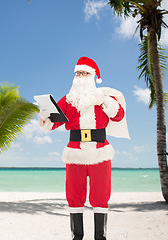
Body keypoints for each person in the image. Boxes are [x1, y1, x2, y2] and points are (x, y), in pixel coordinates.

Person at [38, 56, 129, 240]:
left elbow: (119, 115)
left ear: (92, 76)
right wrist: (45, 118)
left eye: (84, 73)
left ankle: (100, 237)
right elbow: (53, 124)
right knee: (74, 195)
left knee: (101, 196)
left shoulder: (104, 99)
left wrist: (104, 101)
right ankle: (76, 237)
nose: (80, 76)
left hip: (99, 152)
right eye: (77, 73)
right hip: (75, 153)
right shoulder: (67, 100)